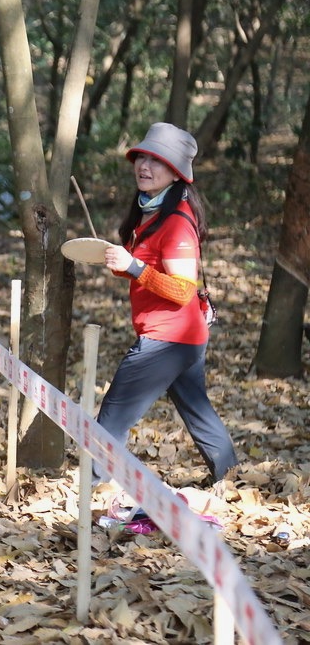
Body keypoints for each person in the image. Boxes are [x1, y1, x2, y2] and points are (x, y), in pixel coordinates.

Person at [96, 122, 239, 487]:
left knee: (112, 417)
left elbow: (180, 289)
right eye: (141, 157)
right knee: (198, 412)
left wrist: (134, 266)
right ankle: (232, 479)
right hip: (183, 336)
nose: (144, 165)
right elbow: (149, 270)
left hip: (168, 339)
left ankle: (91, 488)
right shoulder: (151, 210)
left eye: (156, 160)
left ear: (176, 172)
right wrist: (125, 265)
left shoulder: (176, 221)